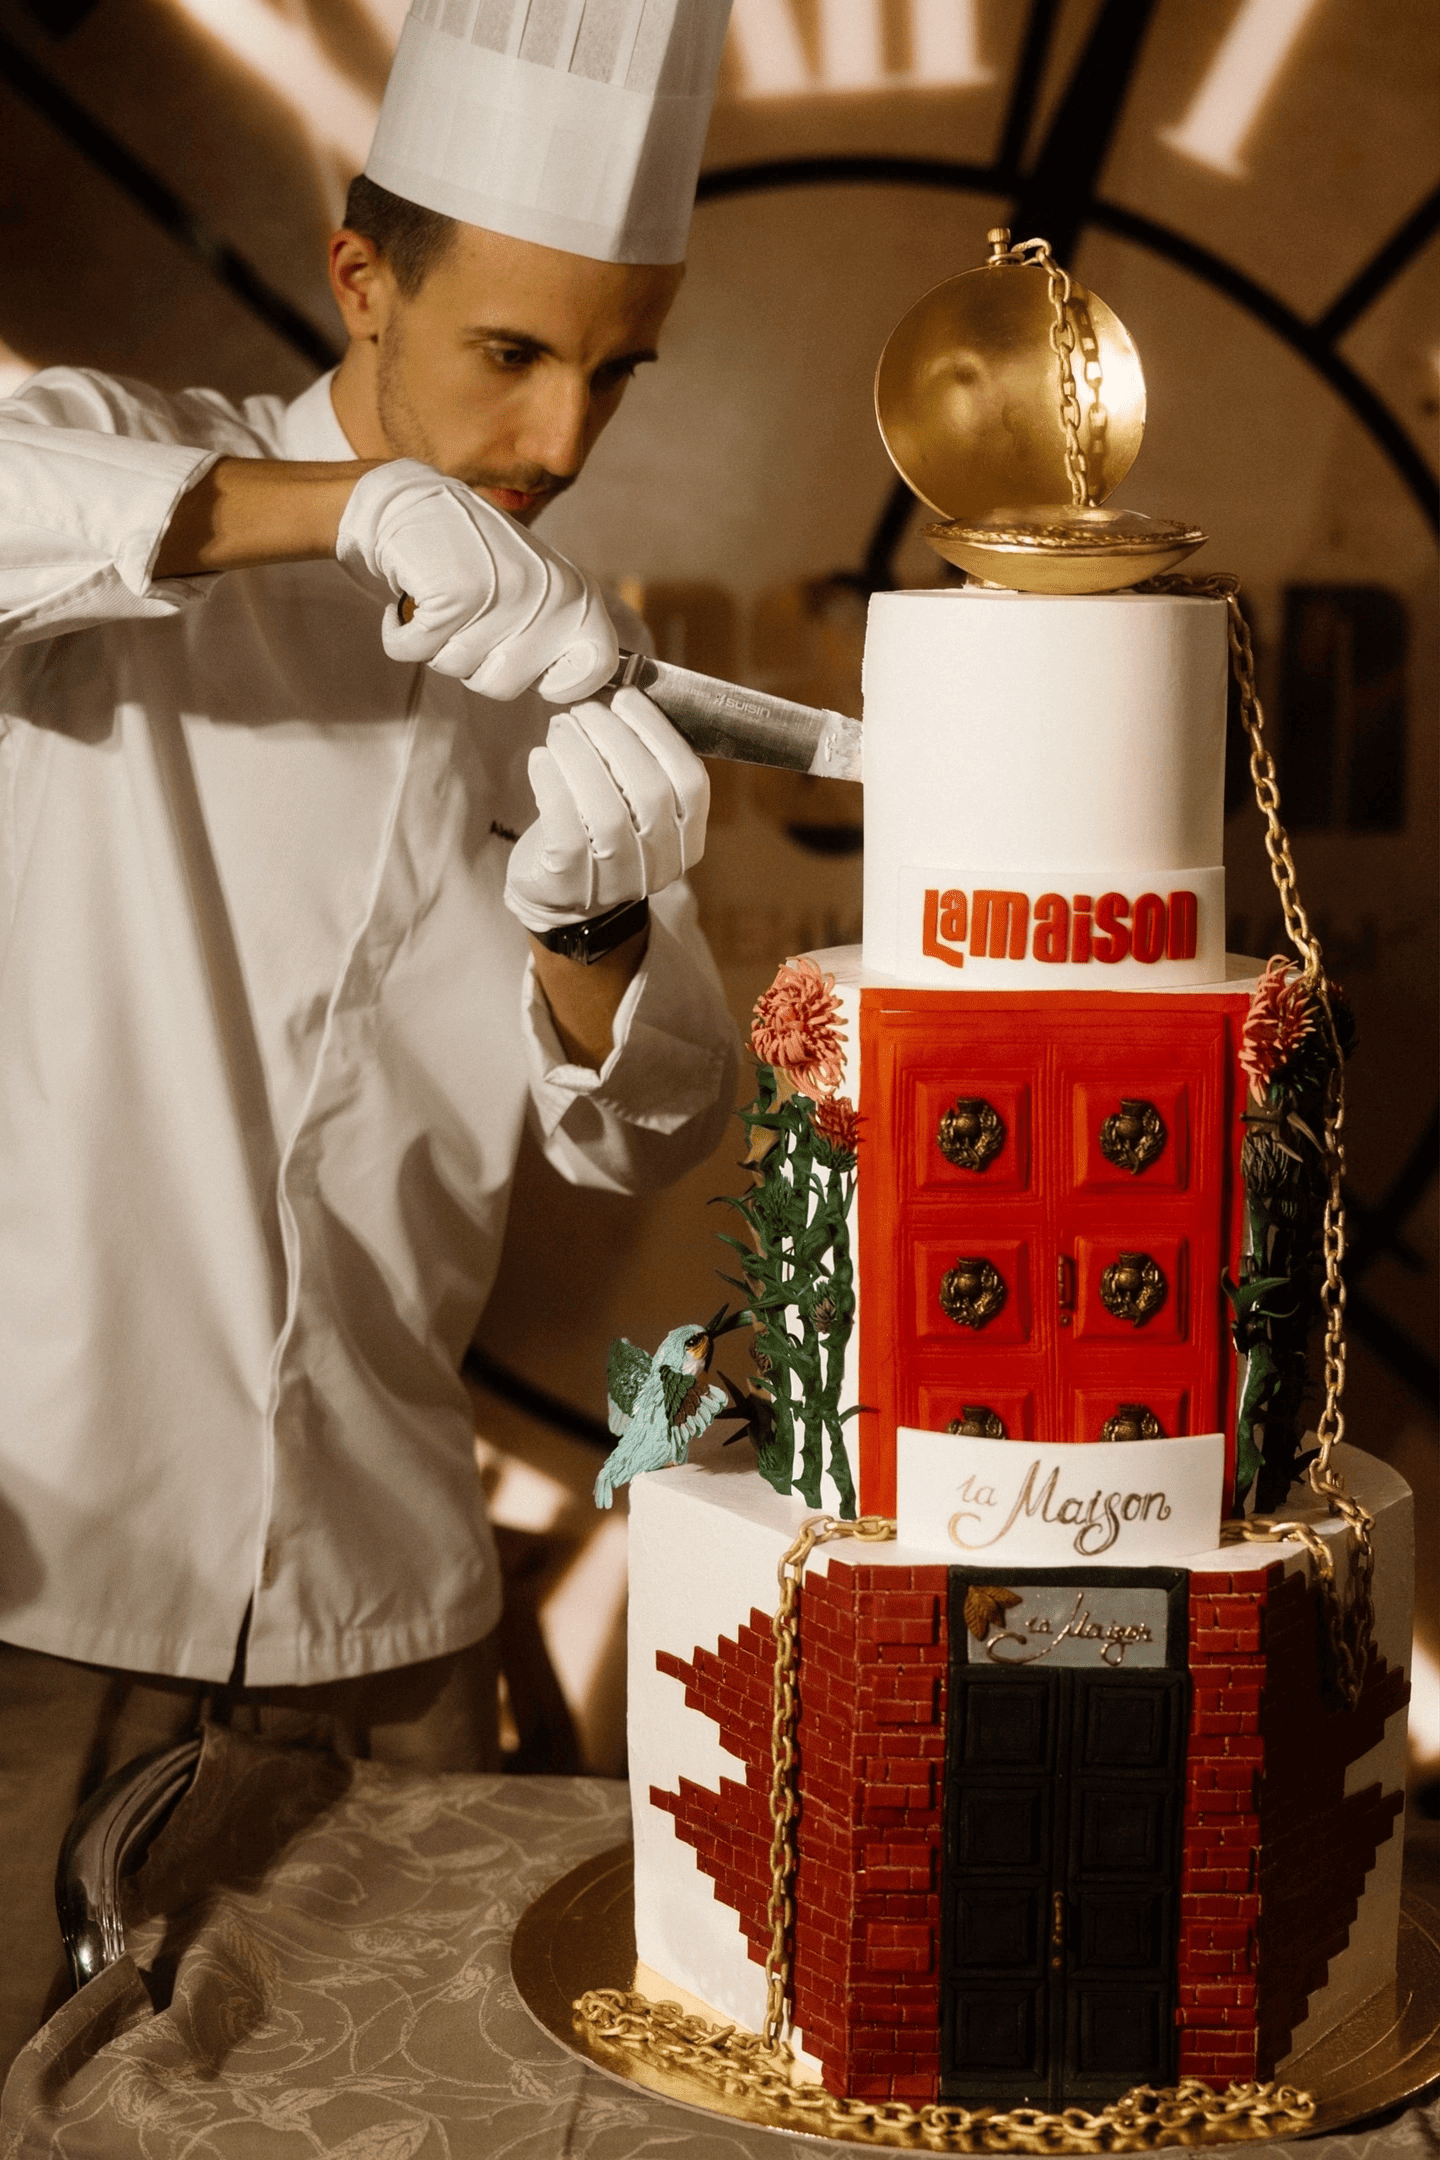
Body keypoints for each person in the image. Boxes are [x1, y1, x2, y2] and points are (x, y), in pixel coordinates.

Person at [0, 0, 738, 2068]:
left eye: (616, 368)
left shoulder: (561, 653)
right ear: (359, 278)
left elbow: (649, 1119)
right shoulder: (119, 463)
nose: (562, 436)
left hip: (398, 1624)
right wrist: (344, 510)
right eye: (512, 351)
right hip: (42, 1597)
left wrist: (596, 923)